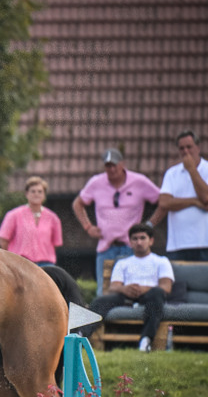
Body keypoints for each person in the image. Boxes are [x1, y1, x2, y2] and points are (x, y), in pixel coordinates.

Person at [72, 148, 161, 295]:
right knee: (104, 292)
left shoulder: (139, 182)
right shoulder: (96, 182)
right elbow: (78, 203)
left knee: (132, 289)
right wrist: (88, 226)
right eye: (108, 166)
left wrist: (149, 225)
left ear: (122, 164)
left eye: (114, 165)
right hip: (106, 247)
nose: (112, 169)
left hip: (131, 248)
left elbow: (162, 201)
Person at [88, 223, 173, 352]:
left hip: (151, 296)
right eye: (135, 239)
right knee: (100, 301)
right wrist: (124, 289)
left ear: (151, 241)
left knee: (158, 293)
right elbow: (114, 287)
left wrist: (144, 289)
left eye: (143, 238)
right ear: (130, 242)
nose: (139, 242)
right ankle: (81, 335)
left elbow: (166, 287)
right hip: (126, 296)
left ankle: (146, 340)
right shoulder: (122, 262)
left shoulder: (161, 261)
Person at [151, 130, 208, 261]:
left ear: (198, 148)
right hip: (178, 245)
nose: (185, 151)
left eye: (189, 147)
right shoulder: (172, 173)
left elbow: (205, 197)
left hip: (204, 243)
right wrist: (194, 201)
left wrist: (192, 170)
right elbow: (164, 203)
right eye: (181, 148)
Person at [0, 176, 63, 266]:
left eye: (40, 191)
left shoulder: (53, 218)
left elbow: (56, 243)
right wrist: (11, 258)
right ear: (26, 194)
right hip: (20, 263)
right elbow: (3, 239)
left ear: (44, 195)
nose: (36, 194)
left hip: (46, 264)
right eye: (33, 191)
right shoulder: (13, 215)